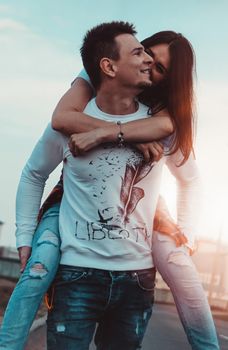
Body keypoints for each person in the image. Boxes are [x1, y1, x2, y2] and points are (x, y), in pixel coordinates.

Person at [0, 23, 219, 350]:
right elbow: (60, 121)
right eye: (144, 52)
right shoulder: (91, 79)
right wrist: (123, 130)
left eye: (160, 68)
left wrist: (185, 237)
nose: (147, 62)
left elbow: (187, 169)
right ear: (111, 65)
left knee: (180, 268)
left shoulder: (162, 120)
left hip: (140, 240)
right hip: (70, 212)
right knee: (39, 264)